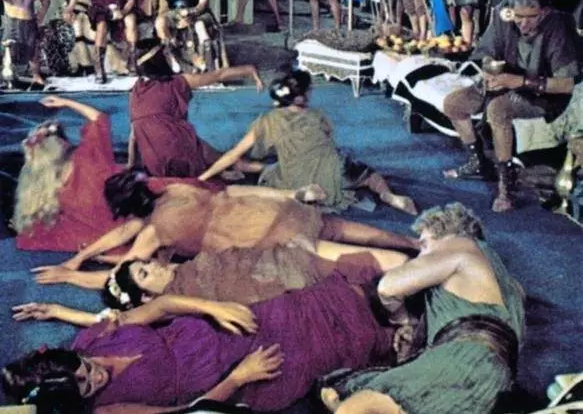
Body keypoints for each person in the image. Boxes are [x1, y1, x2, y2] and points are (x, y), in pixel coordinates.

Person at [6, 272, 401, 413]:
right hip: (234, 373)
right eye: (85, 388)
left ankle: (399, 303)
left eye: (84, 371)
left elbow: (162, 306)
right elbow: (188, 412)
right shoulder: (107, 410)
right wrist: (241, 377)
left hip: (223, 328)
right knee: (358, 339)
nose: (95, 379)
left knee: (336, 297)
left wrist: (214, 307)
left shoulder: (92, 337)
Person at [319, 202, 525, 414]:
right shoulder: (502, 276)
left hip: (463, 363)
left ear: (439, 232)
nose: (420, 256)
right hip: (494, 380)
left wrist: (402, 319)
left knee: (355, 399)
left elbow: (388, 288)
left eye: (424, 246)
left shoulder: (458, 245)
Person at [54, 171, 420, 273]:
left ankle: (405, 268)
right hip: (267, 211)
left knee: (339, 252)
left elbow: (130, 267)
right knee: (342, 229)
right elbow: (235, 190)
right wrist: (289, 195)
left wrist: (85, 263)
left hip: (261, 236)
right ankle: (416, 245)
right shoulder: (178, 191)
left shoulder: (153, 232)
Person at [200, 69, 418, 214]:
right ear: (303, 95)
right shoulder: (318, 115)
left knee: (268, 169)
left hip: (294, 175)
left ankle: (300, 192)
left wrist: (204, 177)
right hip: (333, 172)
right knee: (369, 175)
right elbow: (329, 141)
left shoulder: (267, 120)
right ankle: (389, 195)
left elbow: (234, 153)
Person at [442, 0, 580, 211]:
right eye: (518, 16)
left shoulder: (558, 26)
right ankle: (479, 163)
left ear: (544, 11)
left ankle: (506, 186)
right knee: (453, 104)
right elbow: (487, 52)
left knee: (498, 109)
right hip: (504, 82)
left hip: (544, 95)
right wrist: (489, 67)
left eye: (531, 17)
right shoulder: (504, 15)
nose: (523, 23)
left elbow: (566, 85)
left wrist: (521, 81)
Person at [34, 239, 408, 308]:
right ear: (146, 296)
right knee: (394, 265)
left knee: (394, 261)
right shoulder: (175, 301)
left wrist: (73, 271)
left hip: (283, 256)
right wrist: (67, 290)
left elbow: (121, 281)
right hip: (293, 278)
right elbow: (118, 316)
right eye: (146, 273)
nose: (154, 265)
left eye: (145, 264)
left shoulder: (175, 271)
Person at [127, 39, 265, 178]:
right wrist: (249, 70)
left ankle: (225, 170)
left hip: (155, 164)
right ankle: (254, 168)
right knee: (228, 160)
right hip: (179, 146)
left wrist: (130, 164)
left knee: (203, 153)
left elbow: (134, 133)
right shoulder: (177, 83)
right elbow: (218, 75)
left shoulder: (136, 90)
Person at [13, 95, 123, 252]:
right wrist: (66, 102)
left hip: (91, 233)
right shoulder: (87, 157)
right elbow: (99, 119)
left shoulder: (39, 183)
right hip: (120, 222)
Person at [0, 0, 50, 86]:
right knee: (8, 50)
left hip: (29, 24)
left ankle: (36, 76)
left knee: (34, 51)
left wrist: (42, 13)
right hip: (12, 24)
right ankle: (6, 77)